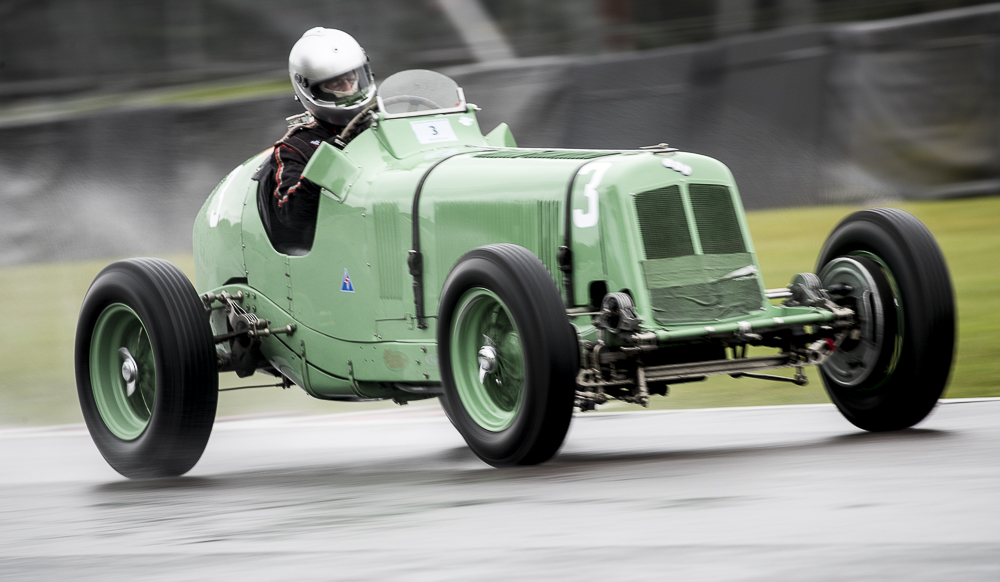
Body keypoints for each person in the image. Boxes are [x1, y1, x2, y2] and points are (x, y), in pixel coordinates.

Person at [255, 27, 376, 252]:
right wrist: (324, 165)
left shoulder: (382, 124)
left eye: (352, 79)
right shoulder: (295, 147)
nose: (349, 90)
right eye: (337, 85)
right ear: (311, 90)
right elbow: (291, 215)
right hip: (336, 246)